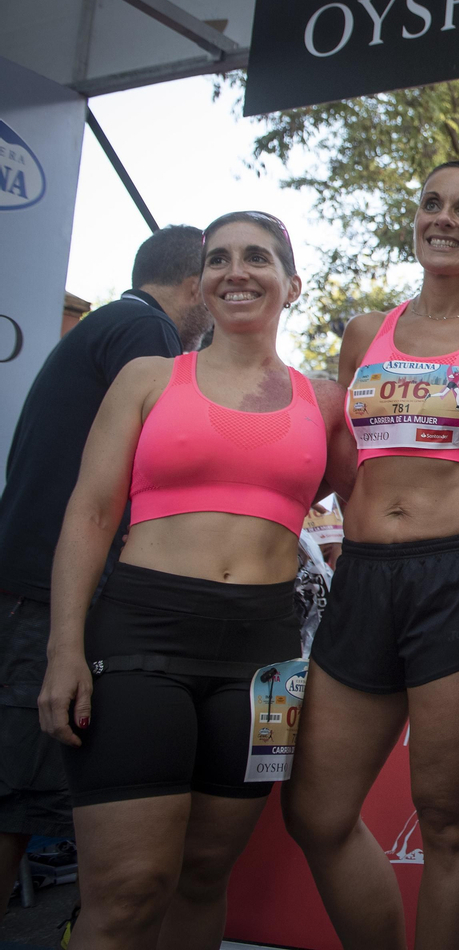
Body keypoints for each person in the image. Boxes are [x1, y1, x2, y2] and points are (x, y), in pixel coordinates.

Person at [36, 211, 343, 950]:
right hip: (141, 636)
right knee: (130, 889)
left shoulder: (325, 400)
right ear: (200, 284)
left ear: (291, 285)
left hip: (265, 662)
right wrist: (63, 648)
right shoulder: (148, 377)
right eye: (219, 259)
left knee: (206, 876)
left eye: (259, 258)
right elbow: (90, 514)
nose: (237, 271)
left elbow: (384, 510)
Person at [282, 162, 459, 950]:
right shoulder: (364, 334)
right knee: (315, 810)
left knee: (451, 819)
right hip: (364, 576)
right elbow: (340, 459)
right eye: (432, 203)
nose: (444, 219)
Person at [0, 225, 211, 922]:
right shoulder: (144, 337)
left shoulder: (109, 325)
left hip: (34, 584)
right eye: (212, 276)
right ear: (191, 285)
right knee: (16, 795)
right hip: (46, 593)